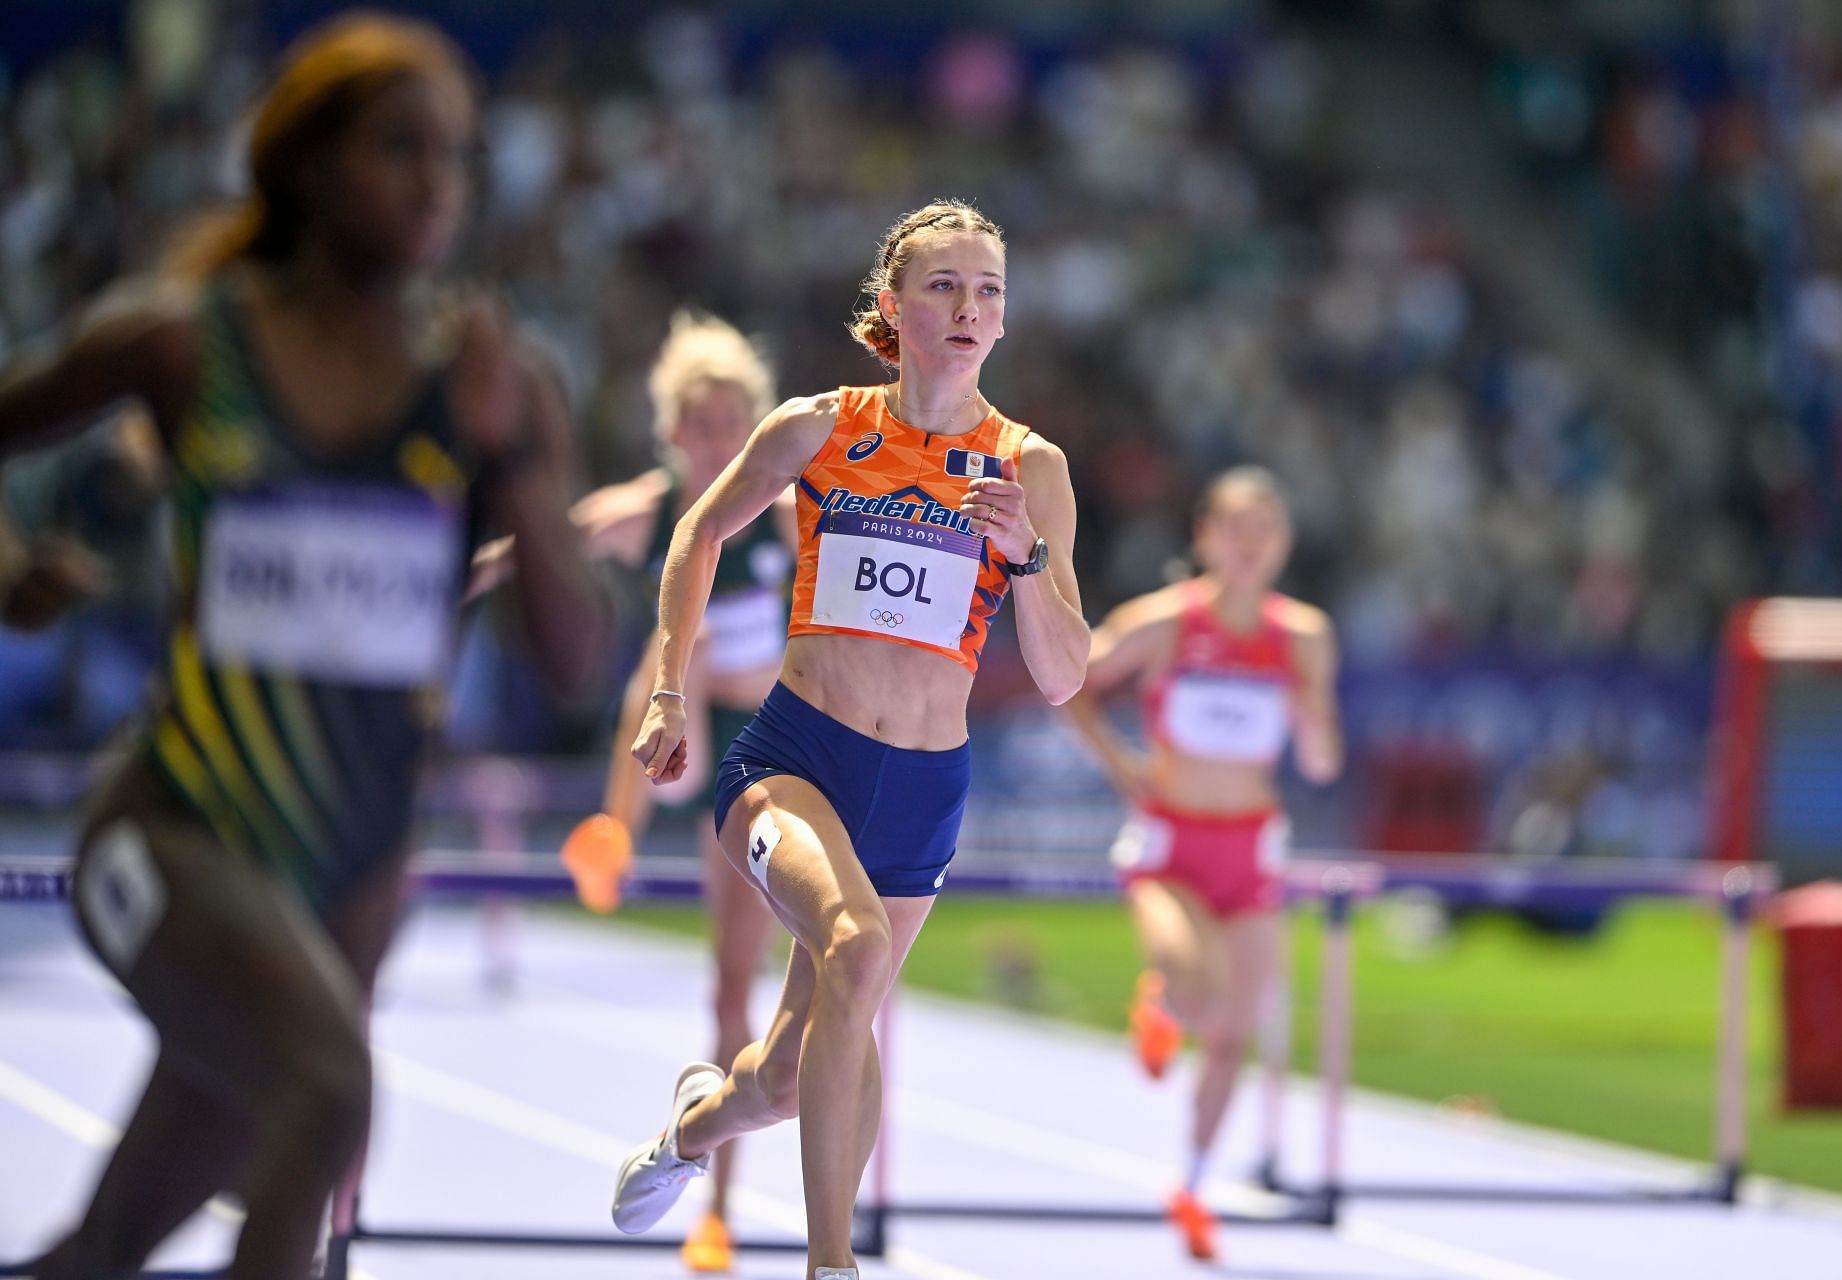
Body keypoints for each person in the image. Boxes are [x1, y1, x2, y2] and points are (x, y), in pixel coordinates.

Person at [0, 15, 609, 1279]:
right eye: (402, 149)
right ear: (311, 163)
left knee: (115, 1240)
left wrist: (512, 464)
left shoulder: (489, 382)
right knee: (329, 1093)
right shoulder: (184, 339)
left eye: (455, 157)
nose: (438, 185)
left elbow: (575, 662)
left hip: (349, 872)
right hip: (171, 837)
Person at [608, 199, 1090, 1279]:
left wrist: (1022, 559)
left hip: (922, 790)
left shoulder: (1029, 466)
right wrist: (671, 690)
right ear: (893, 305)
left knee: (784, 1075)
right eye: (945, 285)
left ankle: (691, 1126)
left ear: (1005, 323)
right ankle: (835, 1262)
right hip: (794, 761)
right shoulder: (819, 428)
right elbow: (698, 532)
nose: (969, 308)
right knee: (860, 953)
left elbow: (1064, 675)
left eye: (990, 291)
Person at [471, 309, 793, 1273]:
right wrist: (446, 576)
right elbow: (541, 548)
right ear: (672, 430)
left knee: (732, 990)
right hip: (677, 727)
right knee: (661, 656)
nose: (717, 438)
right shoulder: (653, 510)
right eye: (699, 422)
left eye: (734, 419)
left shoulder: (782, 511)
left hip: (765, 748)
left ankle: (719, 1209)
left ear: (754, 424)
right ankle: (614, 828)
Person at [1063, 466, 1343, 1261]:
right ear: (1205, 537)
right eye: (1236, 528)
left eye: (1266, 529)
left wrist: (1311, 711)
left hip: (1250, 847)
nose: (1251, 544)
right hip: (1171, 845)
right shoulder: (1165, 624)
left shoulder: (1304, 636)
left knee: (1235, 1031)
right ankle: (1161, 1006)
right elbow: (1069, 680)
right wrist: (1119, 761)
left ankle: (1190, 1185)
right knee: (1197, 989)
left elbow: (1322, 761)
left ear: (1283, 545)